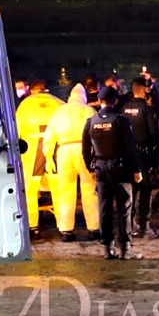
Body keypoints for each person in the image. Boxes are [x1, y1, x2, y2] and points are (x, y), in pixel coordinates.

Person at [82, 86, 143, 260]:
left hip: (100, 167)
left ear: (100, 102)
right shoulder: (120, 120)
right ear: (115, 101)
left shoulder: (91, 121)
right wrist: (136, 169)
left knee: (104, 208)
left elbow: (85, 149)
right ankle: (125, 248)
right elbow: (130, 148)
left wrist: (90, 168)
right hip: (120, 167)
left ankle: (107, 248)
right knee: (124, 207)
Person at [42, 84, 101, 242]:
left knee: (65, 192)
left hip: (64, 151)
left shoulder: (59, 111)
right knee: (89, 190)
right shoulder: (89, 110)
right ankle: (94, 228)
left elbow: (49, 136)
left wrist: (48, 157)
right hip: (85, 150)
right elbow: (96, 134)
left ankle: (66, 230)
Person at [15, 82, 63, 239]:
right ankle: (63, 226)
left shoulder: (25, 104)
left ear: (33, 90)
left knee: (30, 191)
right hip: (55, 151)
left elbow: (15, 131)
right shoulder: (58, 102)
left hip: (31, 154)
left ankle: (33, 227)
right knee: (59, 190)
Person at [121, 76, 159, 238]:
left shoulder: (124, 108)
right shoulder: (147, 109)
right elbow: (153, 133)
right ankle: (144, 225)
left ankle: (129, 224)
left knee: (130, 189)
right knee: (145, 189)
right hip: (143, 154)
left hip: (127, 154)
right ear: (144, 90)